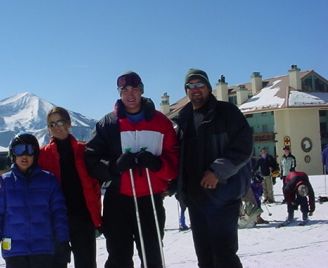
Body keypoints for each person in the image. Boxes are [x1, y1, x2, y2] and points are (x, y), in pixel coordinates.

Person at [85, 71, 179, 268]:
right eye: (125, 90)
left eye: (135, 90)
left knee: (152, 254)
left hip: (150, 197)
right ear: (120, 94)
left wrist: (157, 164)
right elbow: (91, 160)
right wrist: (114, 166)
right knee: (119, 256)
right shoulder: (108, 124)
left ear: (141, 91)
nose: (130, 95)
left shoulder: (161, 122)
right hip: (118, 198)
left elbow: (175, 160)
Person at [0, 106, 102, 268]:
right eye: (51, 124)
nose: (56, 127)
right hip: (54, 221)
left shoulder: (83, 150)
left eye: (60, 122)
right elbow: (20, 171)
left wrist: (96, 217)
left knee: (86, 263)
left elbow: (95, 186)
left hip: (82, 218)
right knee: (57, 263)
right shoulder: (42, 154)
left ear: (69, 123)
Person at [172, 68, 253, 268]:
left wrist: (217, 172)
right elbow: (177, 156)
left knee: (224, 256)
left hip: (223, 196)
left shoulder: (227, 113)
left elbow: (244, 147)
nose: (195, 89)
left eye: (199, 84)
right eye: (190, 86)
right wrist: (173, 184)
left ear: (208, 87)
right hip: (195, 198)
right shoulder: (183, 118)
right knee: (205, 257)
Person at [0, 133, 70, 268]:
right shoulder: (3, 183)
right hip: (15, 252)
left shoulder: (48, 180)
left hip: (43, 250)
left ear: (35, 154)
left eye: (30, 151)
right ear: (13, 155)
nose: (24, 155)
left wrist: (63, 242)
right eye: (19, 150)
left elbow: (58, 214)